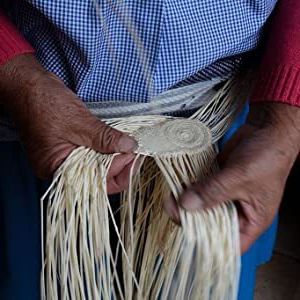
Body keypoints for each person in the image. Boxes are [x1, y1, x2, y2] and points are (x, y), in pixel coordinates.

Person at [0, 1, 299, 299]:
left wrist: (284, 119)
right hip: (32, 123)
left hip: (221, 130)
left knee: (198, 283)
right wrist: (17, 76)